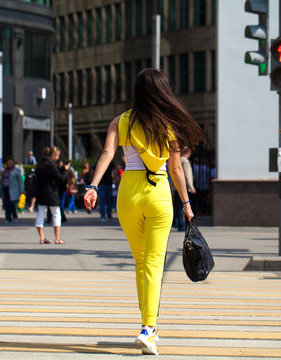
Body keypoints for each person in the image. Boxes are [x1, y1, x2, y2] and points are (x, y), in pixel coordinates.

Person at [83, 68, 204, 356]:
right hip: (158, 194)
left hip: (128, 195)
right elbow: (175, 169)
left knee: (141, 263)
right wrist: (186, 205)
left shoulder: (120, 121)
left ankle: (148, 326)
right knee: (154, 264)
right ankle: (148, 328)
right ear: (162, 91)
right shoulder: (168, 126)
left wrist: (93, 187)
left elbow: (107, 154)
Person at [35, 146, 70, 244]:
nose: (58, 158)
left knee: (40, 213)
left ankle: (42, 237)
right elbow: (60, 179)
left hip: (41, 191)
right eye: (57, 155)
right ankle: (57, 238)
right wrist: (65, 170)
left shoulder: (40, 164)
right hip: (51, 192)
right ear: (53, 155)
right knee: (56, 213)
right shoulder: (51, 165)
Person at [172, 146, 196, 231]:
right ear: (188, 153)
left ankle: (177, 223)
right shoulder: (185, 162)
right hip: (183, 188)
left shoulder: (178, 159)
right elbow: (187, 175)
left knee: (177, 207)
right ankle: (182, 225)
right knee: (183, 206)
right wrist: (191, 186)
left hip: (175, 187)